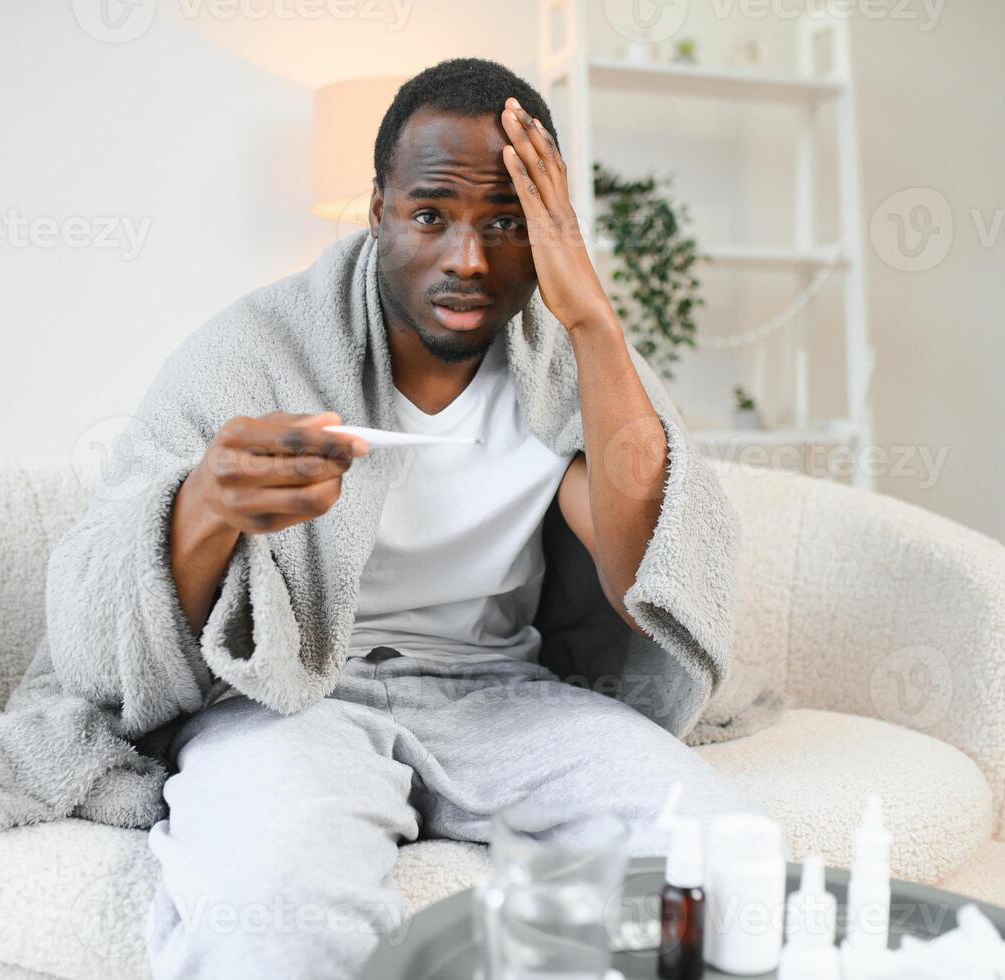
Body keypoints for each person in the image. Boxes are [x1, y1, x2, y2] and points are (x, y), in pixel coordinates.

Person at [143, 58, 765, 979]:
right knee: (277, 916)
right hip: (290, 700)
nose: (467, 259)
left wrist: (593, 321)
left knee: (716, 861)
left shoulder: (562, 368)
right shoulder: (257, 349)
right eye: (429, 215)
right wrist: (204, 506)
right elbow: (120, 593)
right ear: (378, 209)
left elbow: (648, 583)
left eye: (506, 222)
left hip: (502, 700)